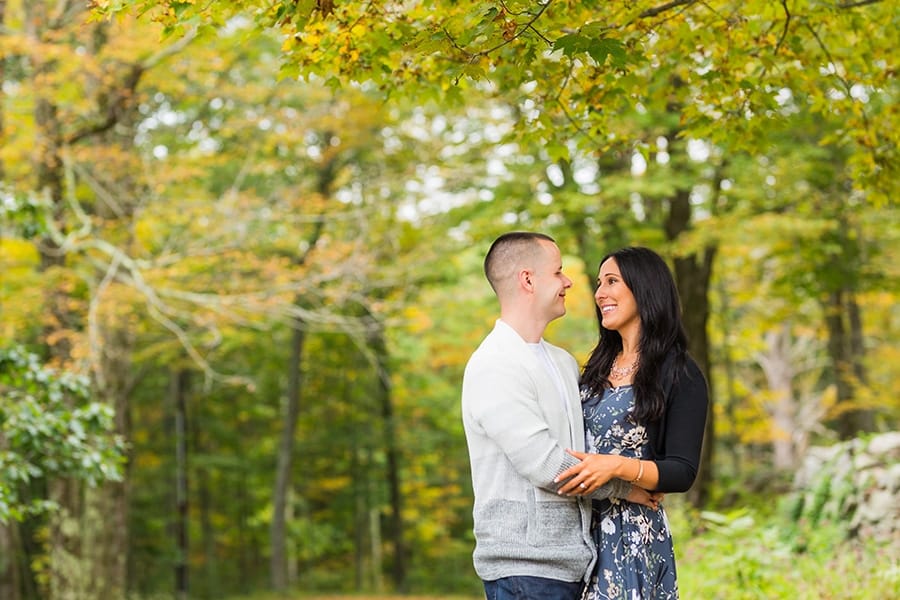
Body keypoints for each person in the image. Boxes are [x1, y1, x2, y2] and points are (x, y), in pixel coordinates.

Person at [461, 232, 656, 600]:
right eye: (558, 272)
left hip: (573, 567)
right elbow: (547, 465)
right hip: (524, 570)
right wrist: (626, 487)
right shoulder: (494, 364)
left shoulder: (563, 363)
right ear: (528, 280)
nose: (568, 281)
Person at [555, 246, 709, 599]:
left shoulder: (680, 372)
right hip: (576, 533)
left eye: (612, 281)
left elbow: (682, 470)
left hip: (632, 536)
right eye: (598, 283)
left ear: (645, 289)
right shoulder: (595, 368)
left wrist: (618, 467)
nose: (599, 294)